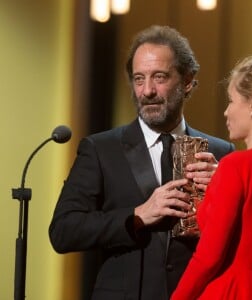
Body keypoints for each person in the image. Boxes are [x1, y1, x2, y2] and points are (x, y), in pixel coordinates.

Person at [48, 25, 234, 300]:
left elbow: (240, 240)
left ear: (187, 81)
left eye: (159, 77)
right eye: (138, 79)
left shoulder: (221, 152)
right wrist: (136, 216)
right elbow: (63, 232)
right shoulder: (100, 149)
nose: (146, 91)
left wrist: (224, 189)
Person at [171, 55, 252, 300]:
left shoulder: (236, 165)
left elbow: (208, 259)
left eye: (231, 101)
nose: (226, 111)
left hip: (229, 291)